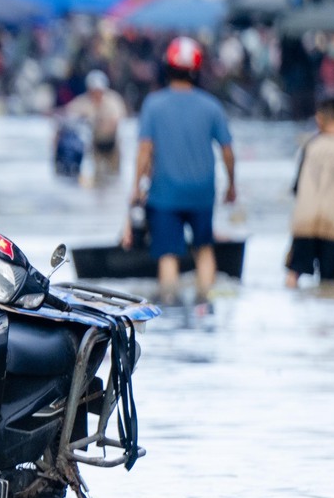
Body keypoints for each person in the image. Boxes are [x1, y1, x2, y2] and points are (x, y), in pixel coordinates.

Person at [125, 37, 236, 311]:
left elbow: (144, 150)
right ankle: (206, 306)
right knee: (204, 250)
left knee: (168, 254)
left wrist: (136, 187)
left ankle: (170, 308)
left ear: (167, 68)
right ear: (197, 70)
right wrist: (232, 186)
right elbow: (227, 151)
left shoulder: (153, 104)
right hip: (202, 193)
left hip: (165, 194)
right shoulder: (212, 106)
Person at [286, 97, 334, 288]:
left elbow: (296, 188)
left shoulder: (309, 146)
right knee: (333, 282)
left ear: (318, 119)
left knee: (293, 274)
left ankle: (291, 313)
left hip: (306, 222)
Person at [63, 70, 129, 180]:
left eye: (99, 91)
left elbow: (117, 119)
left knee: (115, 176)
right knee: (98, 176)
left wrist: (100, 121)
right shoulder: (84, 102)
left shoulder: (113, 100)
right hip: (96, 145)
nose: (96, 94)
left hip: (112, 145)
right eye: (93, 91)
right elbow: (68, 112)